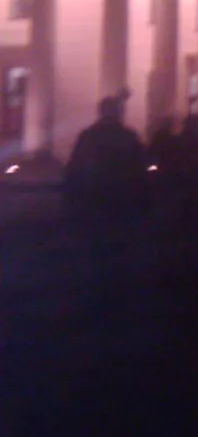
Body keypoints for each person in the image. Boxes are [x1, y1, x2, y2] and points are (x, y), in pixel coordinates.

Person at [62, 97, 150, 318]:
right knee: (119, 255)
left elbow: (75, 171)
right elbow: (140, 172)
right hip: (121, 205)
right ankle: (117, 299)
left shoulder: (89, 137)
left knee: (96, 254)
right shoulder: (128, 138)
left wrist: (72, 202)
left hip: (95, 204)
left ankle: (97, 299)